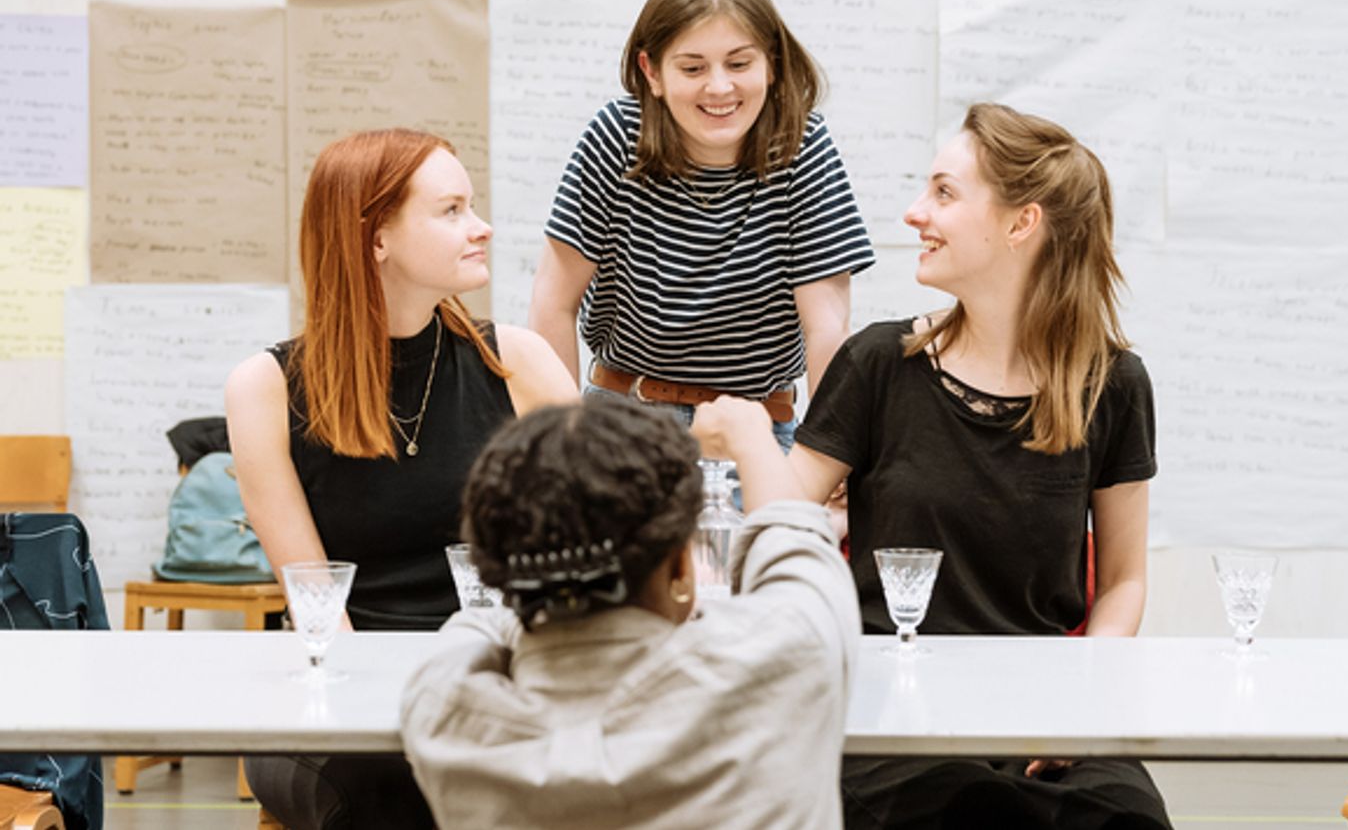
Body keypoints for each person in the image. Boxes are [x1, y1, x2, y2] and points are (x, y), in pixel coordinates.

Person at [735, 103, 1170, 829]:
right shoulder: (879, 362)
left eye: (943, 192)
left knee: (1125, 815)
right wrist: (748, 438)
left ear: (1019, 223)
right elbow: (782, 518)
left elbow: (1122, 580)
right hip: (893, 709)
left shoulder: (1114, 384)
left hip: (1044, 704)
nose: (914, 213)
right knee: (967, 809)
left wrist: (1078, 706)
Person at [226, 128, 577, 829]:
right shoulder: (264, 386)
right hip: (339, 694)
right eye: (451, 211)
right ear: (376, 238)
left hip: (489, 674)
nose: (481, 228)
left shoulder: (520, 362)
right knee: (400, 781)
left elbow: (606, 537)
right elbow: (316, 597)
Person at [400, 393, 860, 829]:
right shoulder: (787, 659)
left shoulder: (445, 710)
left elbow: (481, 622)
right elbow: (793, 540)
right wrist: (751, 437)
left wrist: (553, 568)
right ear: (683, 565)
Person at [528, 0, 875, 447]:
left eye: (739, 64)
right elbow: (553, 302)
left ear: (771, 64)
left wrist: (831, 452)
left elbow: (827, 325)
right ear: (653, 72)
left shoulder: (801, 145)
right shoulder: (616, 136)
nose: (718, 88)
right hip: (624, 420)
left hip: (758, 428)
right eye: (692, 68)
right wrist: (563, 448)